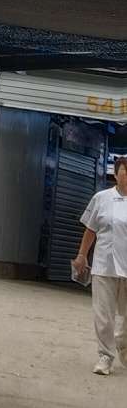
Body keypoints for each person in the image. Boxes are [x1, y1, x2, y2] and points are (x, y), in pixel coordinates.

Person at [73, 155, 127, 376]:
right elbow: (91, 229)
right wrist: (82, 255)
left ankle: (123, 344)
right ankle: (105, 356)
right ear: (116, 174)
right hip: (104, 265)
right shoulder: (102, 198)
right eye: (125, 171)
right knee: (103, 314)